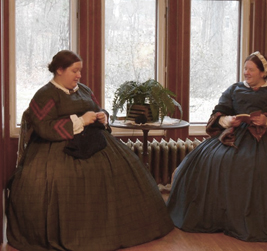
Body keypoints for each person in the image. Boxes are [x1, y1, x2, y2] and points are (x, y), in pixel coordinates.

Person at [6, 50, 174, 251]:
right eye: (74, 71)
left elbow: (97, 108)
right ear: (59, 70)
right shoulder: (46, 95)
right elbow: (43, 127)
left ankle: (116, 230)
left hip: (96, 141)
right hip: (56, 148)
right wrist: (80, 121)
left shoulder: (83, 90)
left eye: (80, 71)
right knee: (65, 182)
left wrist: (102, 115)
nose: (79, 75)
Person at [166, 51, 267, 242]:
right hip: (234, 134)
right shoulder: (234, 89)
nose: (246, 73)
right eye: (245, 69)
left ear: (263, 72)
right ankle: (217, 217)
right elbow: (217, 114)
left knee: (258, 167)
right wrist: (228, 120)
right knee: (207, 161)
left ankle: (256, 220)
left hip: (266, 138)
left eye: (251, 69)